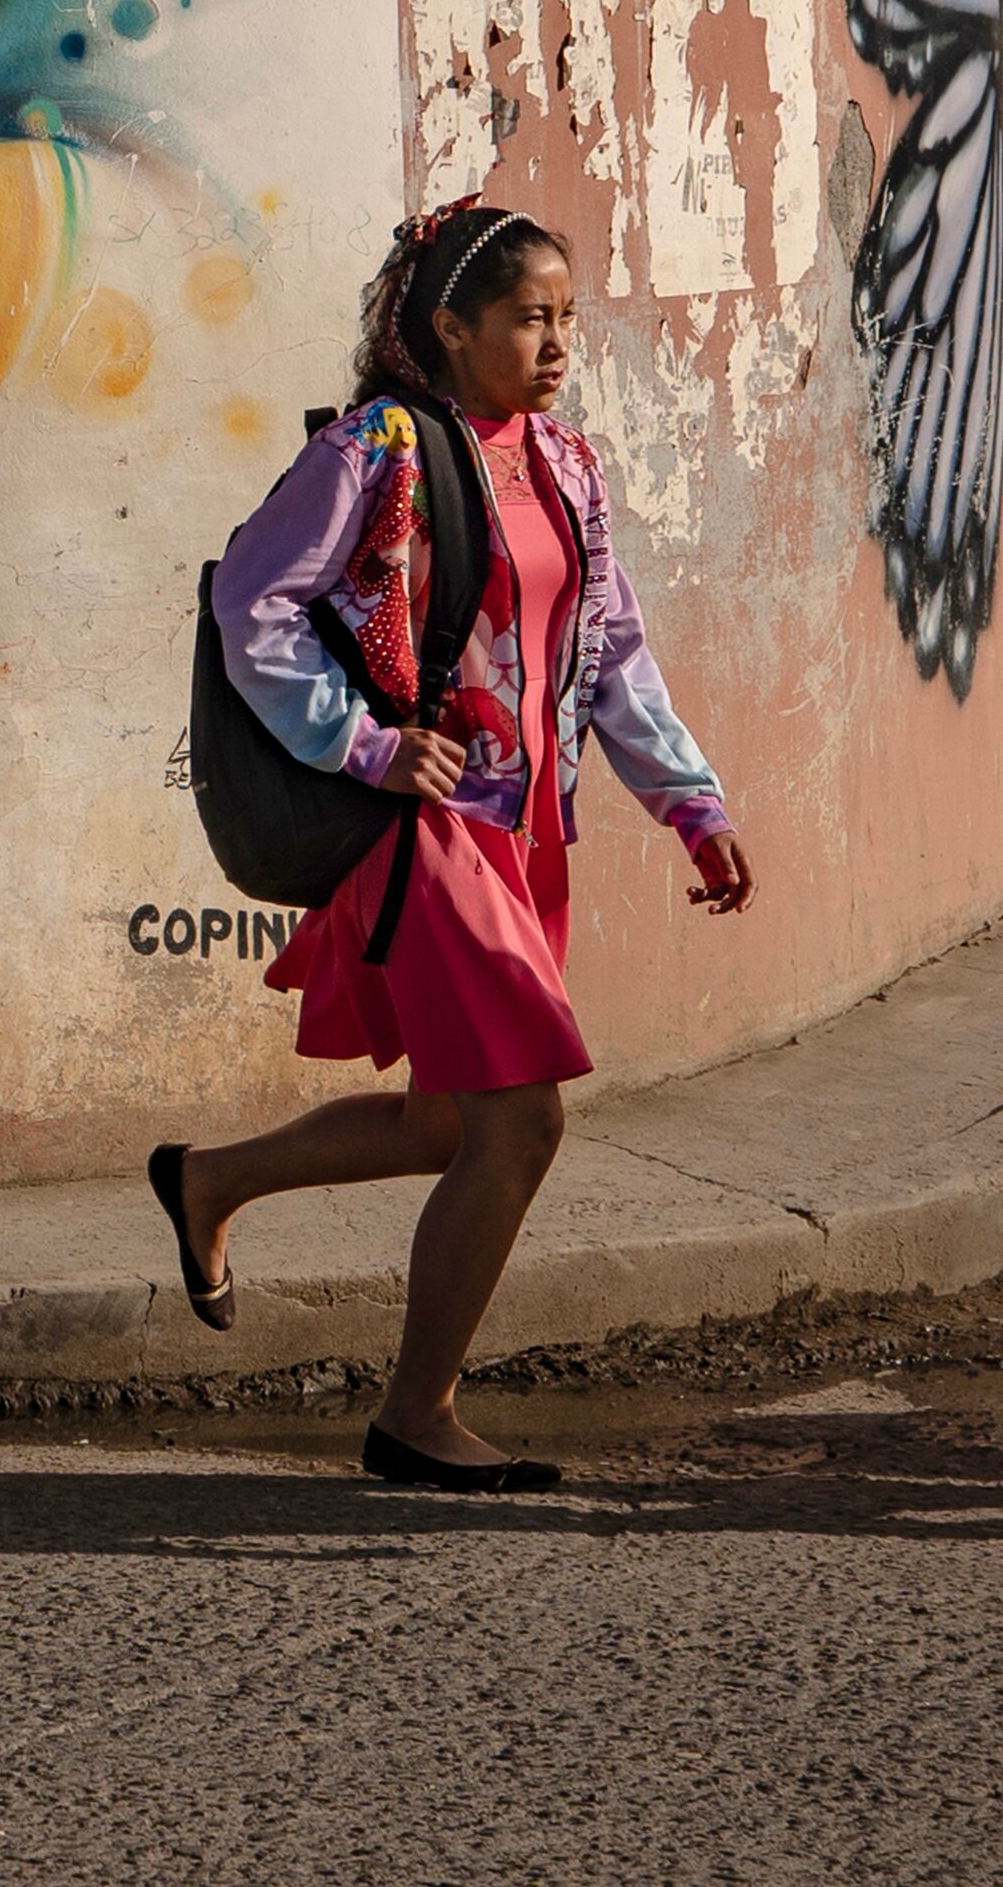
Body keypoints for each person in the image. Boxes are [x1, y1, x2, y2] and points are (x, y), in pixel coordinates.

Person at [150, 201, 757, 1490]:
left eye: (566, 319)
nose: (554, 345)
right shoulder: (380, 451)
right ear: (449, 326)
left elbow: (613, 653)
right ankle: (413, 1416)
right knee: (519, 1123)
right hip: (425, 836)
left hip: (525, 839)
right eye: (529, 319)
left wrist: (689, 804)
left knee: (445, 1124)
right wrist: (359, 747)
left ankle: (205, 1182)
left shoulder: (565, 465)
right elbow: (249, 598)